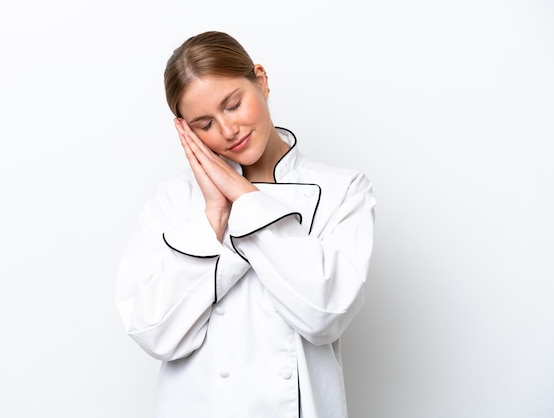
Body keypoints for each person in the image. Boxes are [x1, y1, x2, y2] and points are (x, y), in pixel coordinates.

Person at [115, 30, 376, 418]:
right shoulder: (174, 202)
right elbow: (154, 332)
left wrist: (245, 197)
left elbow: (325, 313)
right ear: (185, 130)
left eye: (233, 104)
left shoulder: (343, 190)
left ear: (261, 80)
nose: (228, 130)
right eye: (204, 124)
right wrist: (215, 214)